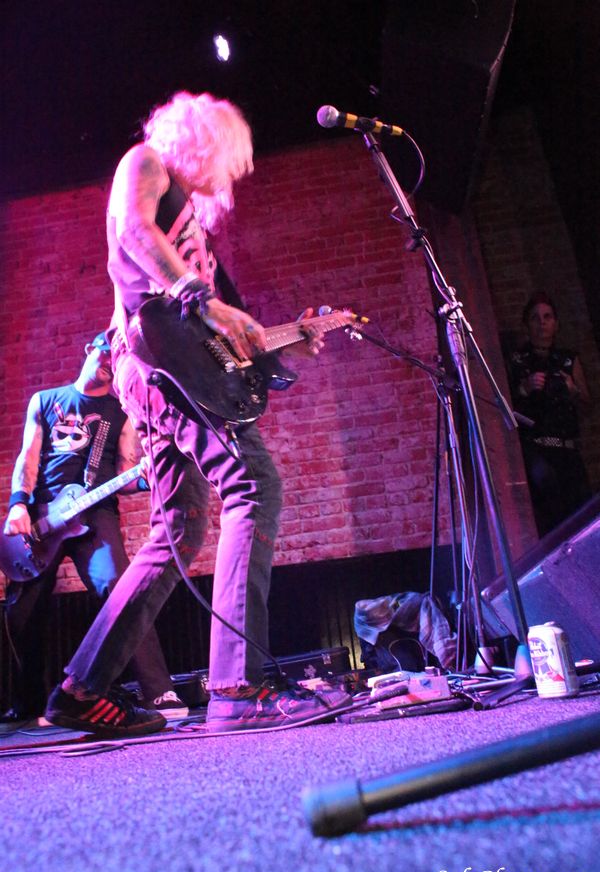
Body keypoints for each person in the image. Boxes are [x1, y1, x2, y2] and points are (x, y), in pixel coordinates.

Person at [44, 91, 351, 736]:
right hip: (157, 368)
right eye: (231, 158)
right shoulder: (147, 163)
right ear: (205, 143)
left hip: (169, 374)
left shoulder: (198, 238)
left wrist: (287, 338)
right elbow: (132, 236)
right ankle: (237, 687)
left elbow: (226, 341)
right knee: (253, 484)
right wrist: (203, 299)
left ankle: (80, 689)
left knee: (177, 533)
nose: (234, 174)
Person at [1, 333, 188, 723]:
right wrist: (19, 503)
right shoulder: (46, 400)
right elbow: (28, 456)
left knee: (122, 592)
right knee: (22, 612)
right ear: (90, 349)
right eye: (106, 351)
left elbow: (126, 471)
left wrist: (146, 477)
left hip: (95, 513)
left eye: (116, 357)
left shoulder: (120, 410)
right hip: (41, 517)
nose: (109, 361)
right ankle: (28, 706)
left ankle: (159, 692)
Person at [508, 291, 593, 536]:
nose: (542, 323)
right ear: (526, 324)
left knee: (581, 520)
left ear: (556, 323)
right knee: (551, 523)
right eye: (535, 318)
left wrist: (573, 390)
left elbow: (587, 406)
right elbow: (504, 409)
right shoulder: (517, 361)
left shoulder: (568, 360)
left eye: (547, 317)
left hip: (569, 453)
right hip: (538, 454)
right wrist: (524, 388)